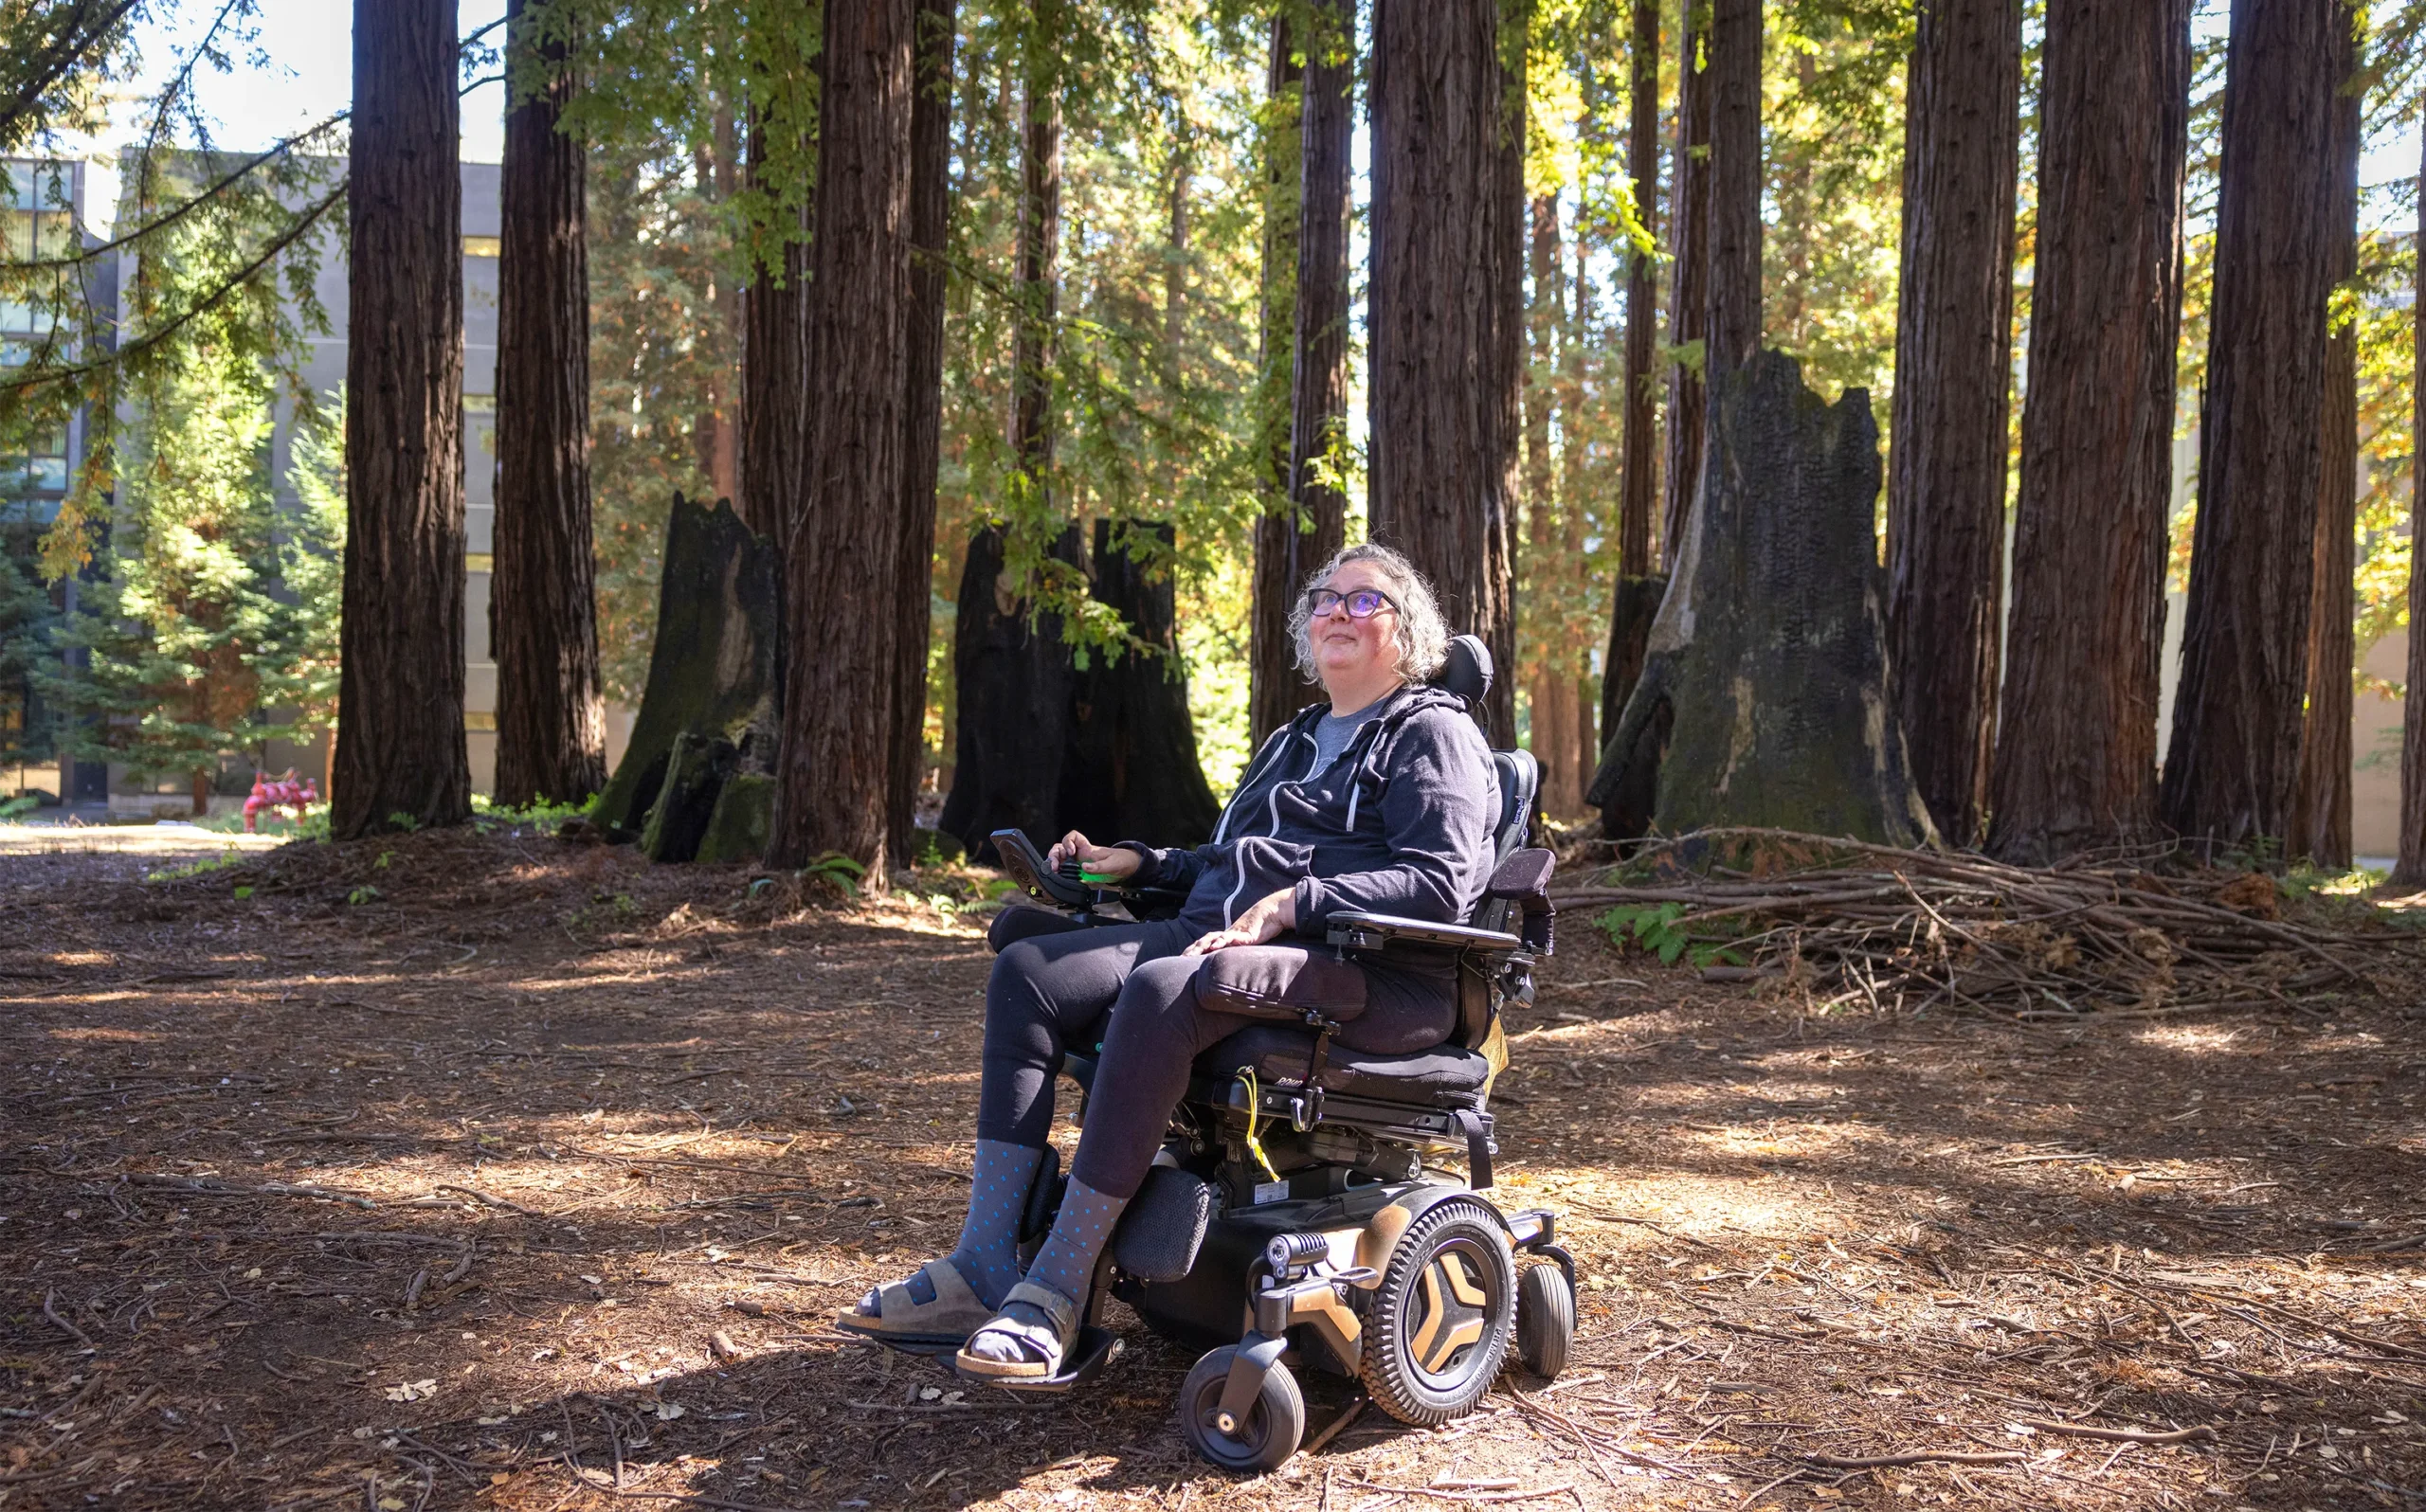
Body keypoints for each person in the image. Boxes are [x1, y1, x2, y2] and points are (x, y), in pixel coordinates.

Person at [839, 543, 1498, 1379]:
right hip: (1221, 938)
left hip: (1362, 970)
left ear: (1407, 633)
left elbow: (1439, 883)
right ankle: (983, 1263)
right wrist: (1143, 863)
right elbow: (1234, 858)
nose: (1338, 610)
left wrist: (1294, 905)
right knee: (1029, 969)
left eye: (1366, 601)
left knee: (1162, 989)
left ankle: (1057, 1288)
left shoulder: (1431, 734)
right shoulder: (1296, 739)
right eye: (1327, 598)